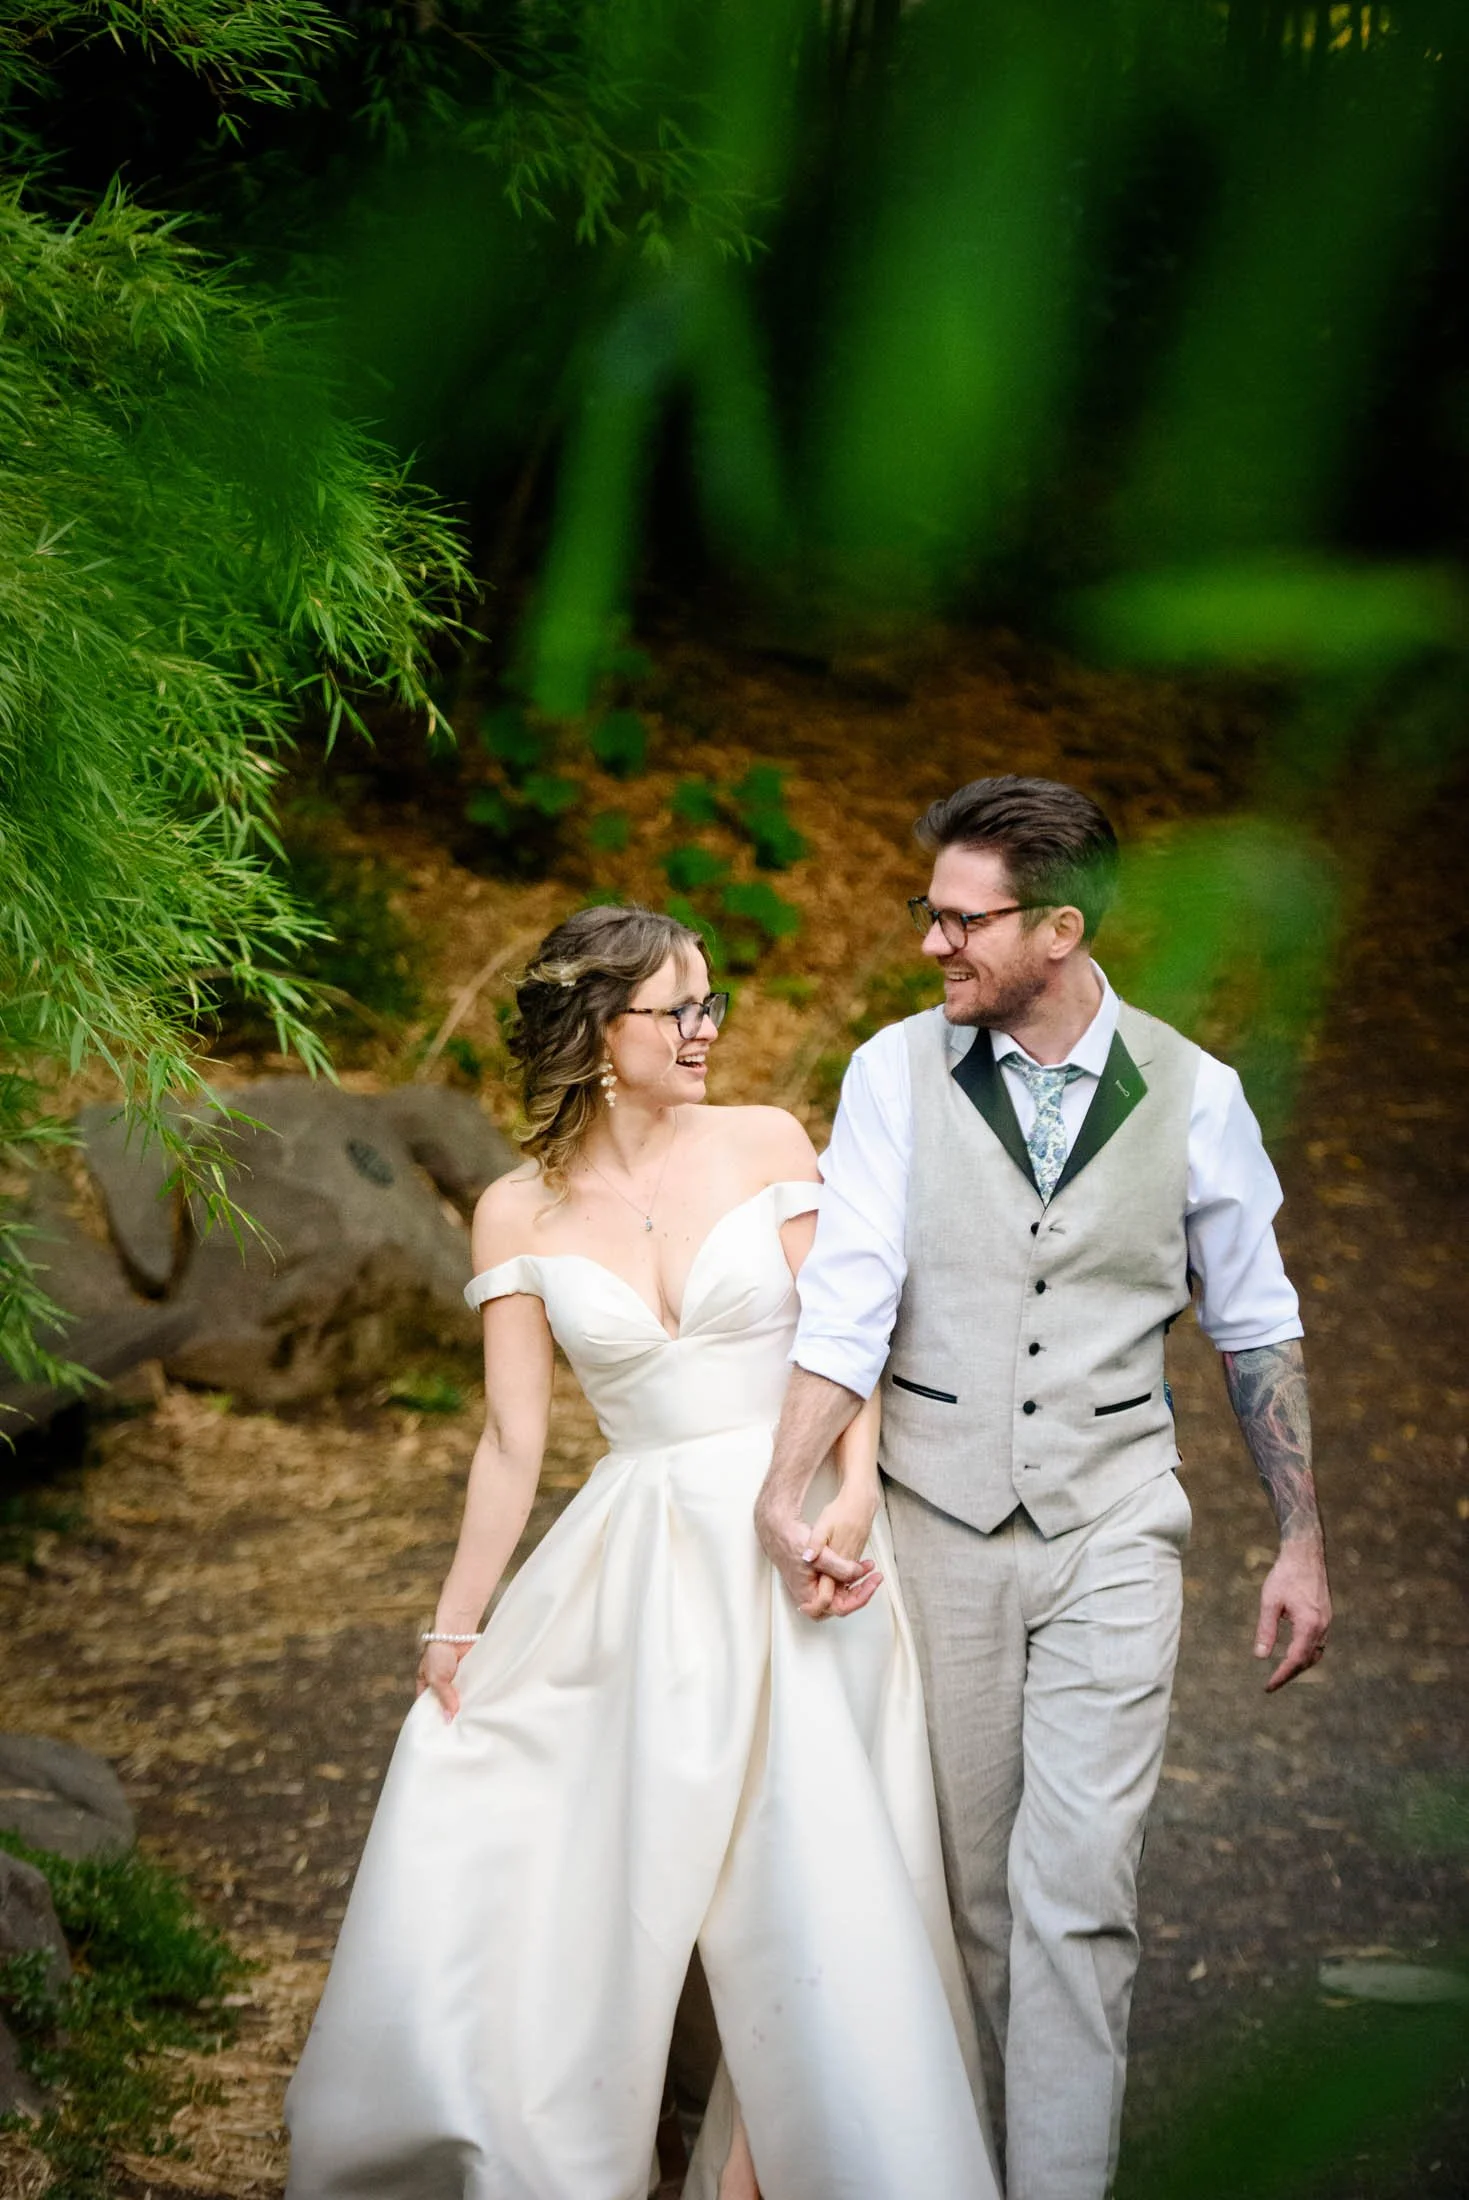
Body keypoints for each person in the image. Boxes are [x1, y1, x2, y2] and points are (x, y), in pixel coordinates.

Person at [284, 903, 998, 2200]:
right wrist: (456, 1623)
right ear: (599, 1032)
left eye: (710, 1002)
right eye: (681, 1009)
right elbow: (511, 1441)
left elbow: (844, 1341)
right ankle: (560, 2146)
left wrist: (849, 1497)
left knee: (812, 1880)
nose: (708, 1029)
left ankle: (775, 2168)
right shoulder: (515, 1212)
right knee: (573, 1861)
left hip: (796, 1556)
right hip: (641, 1562)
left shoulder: (767, 1142)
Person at [755, 776, 1333, 2200]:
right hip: (937, 1520)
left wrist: (1300, 1540)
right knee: (970, 1904)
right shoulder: (893, 1074)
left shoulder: (1202, 1096)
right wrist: (787, 1482)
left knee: (1077, 1899)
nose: (934, 944)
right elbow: (849, 1300)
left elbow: (1254, 1324)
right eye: (929, 916)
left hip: (1115, 1522)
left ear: (1062, 929)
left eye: (965, 922)